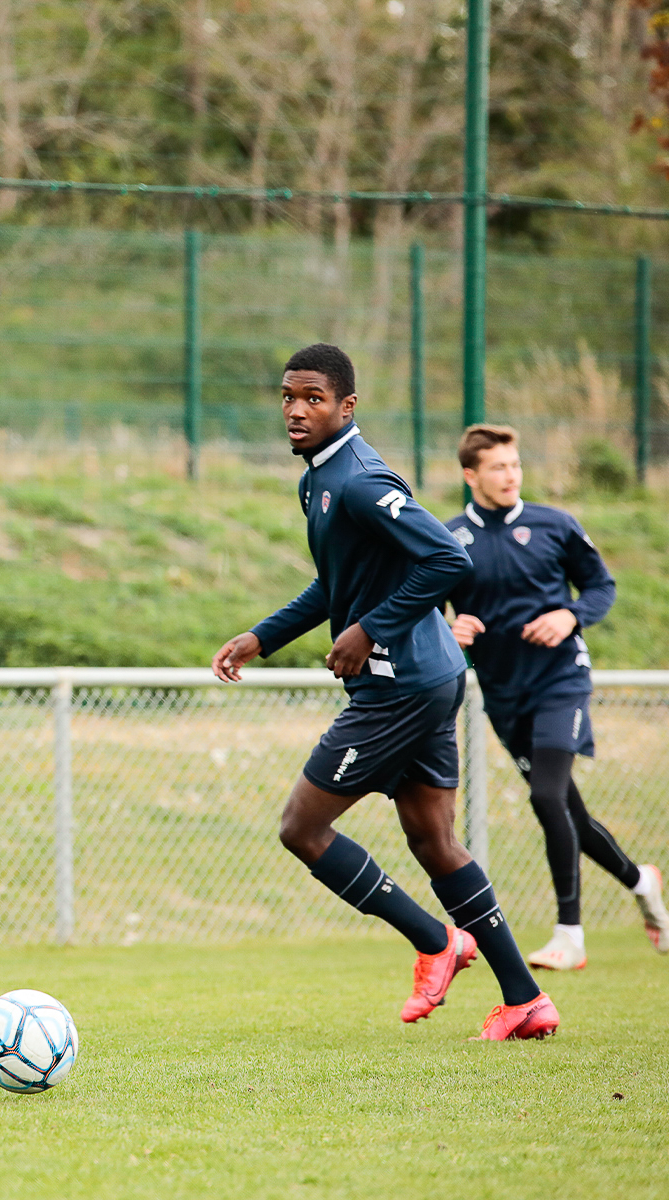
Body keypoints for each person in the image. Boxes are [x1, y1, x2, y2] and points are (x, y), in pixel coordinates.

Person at [211, 343, 559, 1041]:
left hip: (399, 687)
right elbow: (335, 583)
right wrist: (262, 637)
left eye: (313, 398)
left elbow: (446, 556)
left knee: (301, 829)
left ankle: (437, 941)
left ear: (347, 406)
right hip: (426, 678)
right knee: (435, 841)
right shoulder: (317, 482)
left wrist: (369, 629)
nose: (296, 410)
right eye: (287, 397)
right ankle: (524, 998)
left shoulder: (363, 478)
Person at [445, 424, 669, 969]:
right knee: (565, 807)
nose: (510, 475)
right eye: (498, 467)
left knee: (546, 797)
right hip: (503, 694)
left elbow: (601, 587)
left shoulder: (555, 525)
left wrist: (569, 614)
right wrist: (449, 630)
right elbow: (426, 609)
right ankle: (641, 880)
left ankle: (570, 936)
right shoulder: (447, 539)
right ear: (471, 474)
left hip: (560, 680)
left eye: (515, 465)